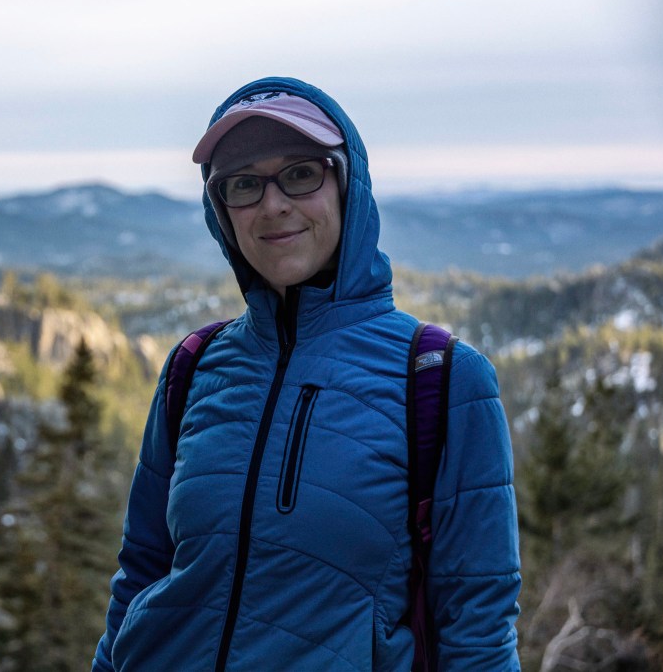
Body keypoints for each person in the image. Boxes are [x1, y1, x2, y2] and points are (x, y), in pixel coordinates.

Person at [92, 76, 521, 671]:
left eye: (301, 173)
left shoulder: (442, 378)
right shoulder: (195, 366)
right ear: (222, 213)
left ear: (349, 185)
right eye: (244, 184)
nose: (273, 204)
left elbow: (477, 627)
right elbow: (141, 571)